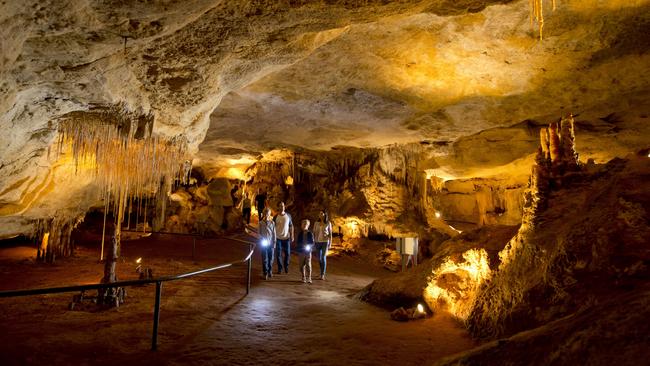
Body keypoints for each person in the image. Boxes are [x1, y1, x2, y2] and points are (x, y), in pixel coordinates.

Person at [274, 202, 294, 274]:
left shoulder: (288, 216)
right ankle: (280, 268)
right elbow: (273, 227)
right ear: (279, 207)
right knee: (278, 254)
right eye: (280, 206)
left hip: (286, 238)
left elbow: (291, 226)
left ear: (284, 207)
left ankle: (286, 266)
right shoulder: (276, 217)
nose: (282, 207)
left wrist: (292, 235)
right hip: (278, 238)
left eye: (283, 206)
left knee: (287, 253)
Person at [313, 210, 333, 280]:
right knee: (319, 258)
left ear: (325, 215)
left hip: (325, 242)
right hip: (317, 241)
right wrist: (313, 241)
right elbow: (314, 232)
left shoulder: (328, 223)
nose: (320, 215)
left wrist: (330, 243)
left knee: (323, 257)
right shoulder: (316, 223)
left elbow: (330, 234)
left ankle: (322, 274)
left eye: (321, 213)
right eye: (319, 213)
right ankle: (321, 271)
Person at [258, 208, 276, 280]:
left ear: (269, 214)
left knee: (271, 258)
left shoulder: (272, 223)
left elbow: (274, 233)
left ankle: (270, 271)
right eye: (265, 213)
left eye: (268, 213)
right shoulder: (261, 223)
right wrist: (261, 238)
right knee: (265, 259)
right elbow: (259, 233)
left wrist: (274, 242)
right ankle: (265, 273)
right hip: (264, 243)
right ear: (263, 214)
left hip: (271, 243)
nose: (266, 215)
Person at [296, 219, 315, 283]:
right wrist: (299, 247)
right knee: (301, 265)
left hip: (308, 251)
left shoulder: (310, 234)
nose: (304, 225)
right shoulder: (300, 234)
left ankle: (309, 277)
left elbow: (312, 242)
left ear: (308, 225)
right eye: (303, 224)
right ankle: (303, 276)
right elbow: (298, 242)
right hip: (301, 251)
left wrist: (309, 246)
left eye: (306, 224)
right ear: (301, 225)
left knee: (308, 264)